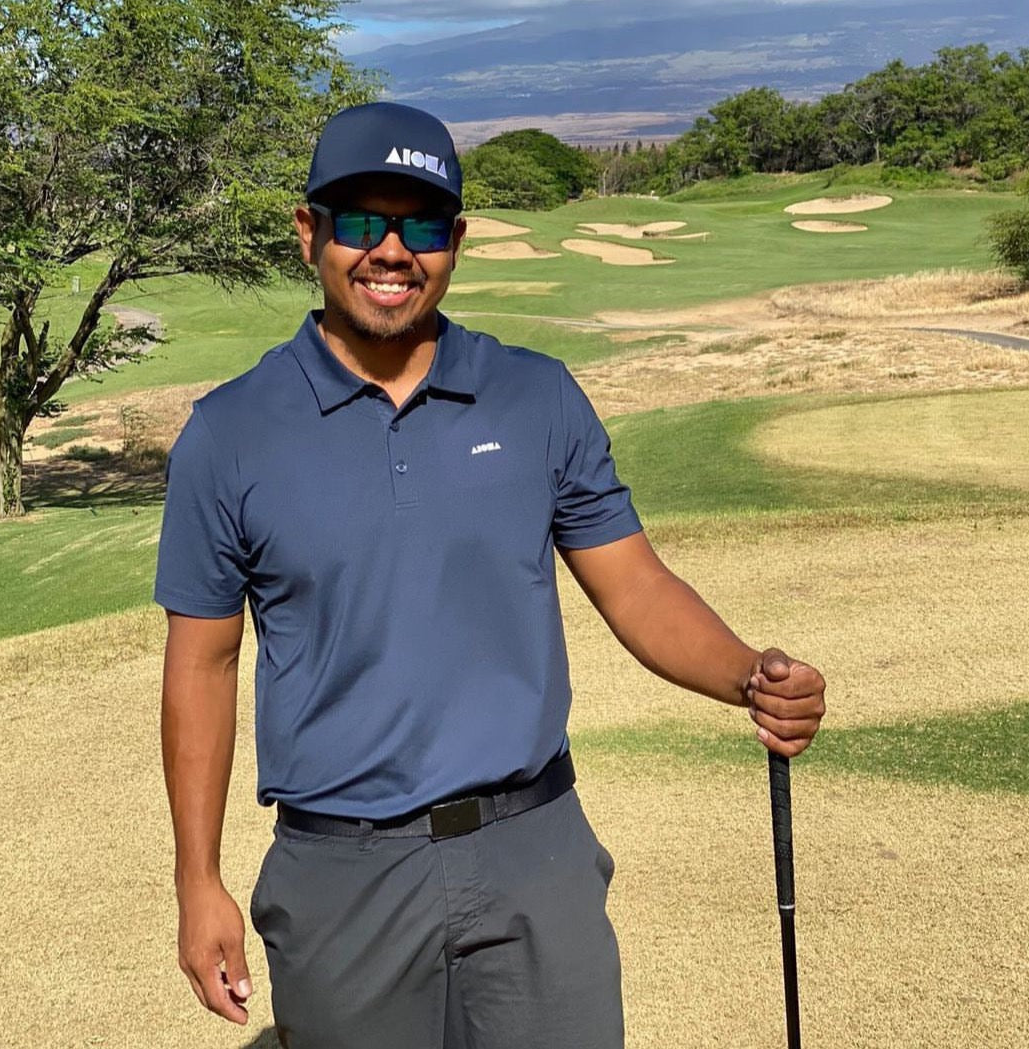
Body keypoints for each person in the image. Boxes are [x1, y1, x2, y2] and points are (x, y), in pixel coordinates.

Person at [156, 101, 826, 1049]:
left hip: (533, 847)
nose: (392, 251)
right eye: (360, 221)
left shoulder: (536, 394)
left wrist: (746, 674)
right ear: (309, 233)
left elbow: (635, 585)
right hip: (341, 866)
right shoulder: (228, 433)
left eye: (421, 224)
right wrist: (197, 879)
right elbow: (203, 667)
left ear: (456, 242)